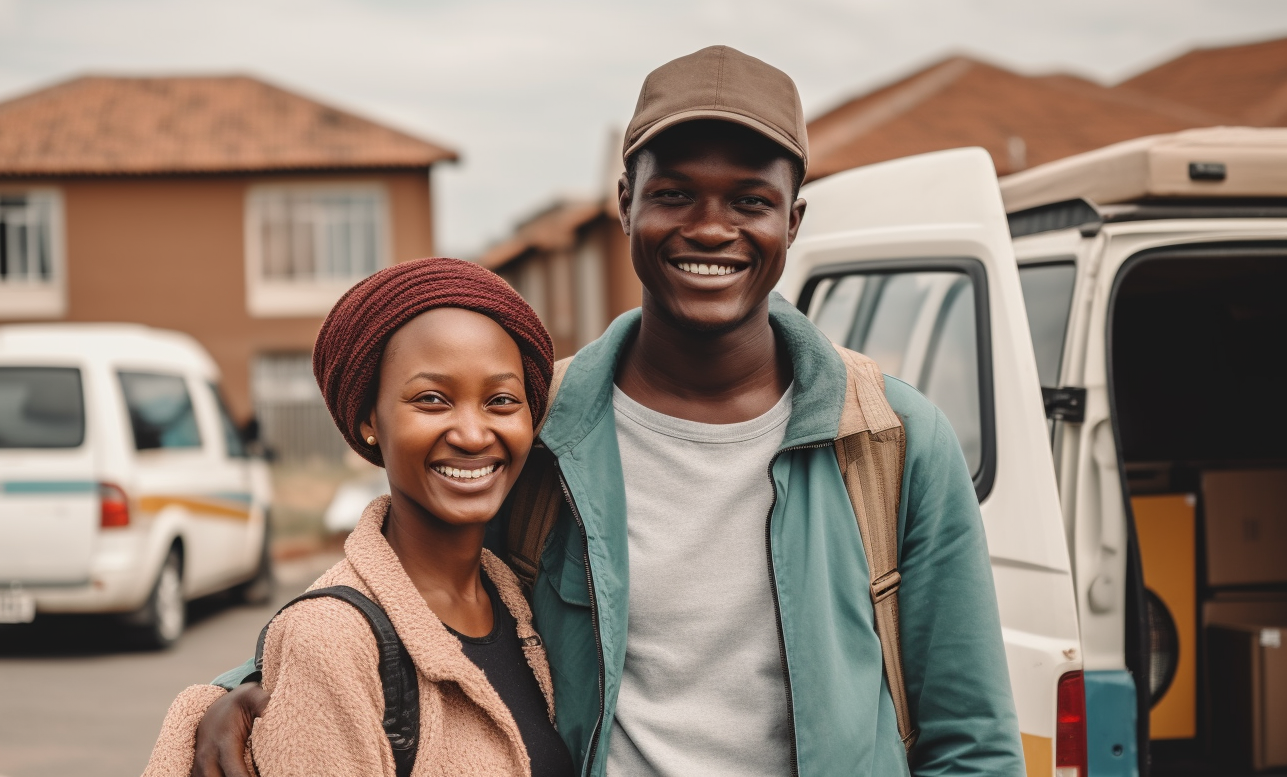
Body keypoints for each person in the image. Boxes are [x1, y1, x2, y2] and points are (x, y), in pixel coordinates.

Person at [191, 46, 1026, 776]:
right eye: (674, 194)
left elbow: (971, 741)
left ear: (793, 220)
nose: (710, 228)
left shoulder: (891, 441)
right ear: (625, 201)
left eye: (749, 201)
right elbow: (404, 584)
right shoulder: (540, 432)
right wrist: (249, 683)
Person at [142, 257, 574, 777]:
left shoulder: (518, 602)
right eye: (432, 400)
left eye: (501, 400)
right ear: (369, 418)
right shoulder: (331, 638)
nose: (473, 433)